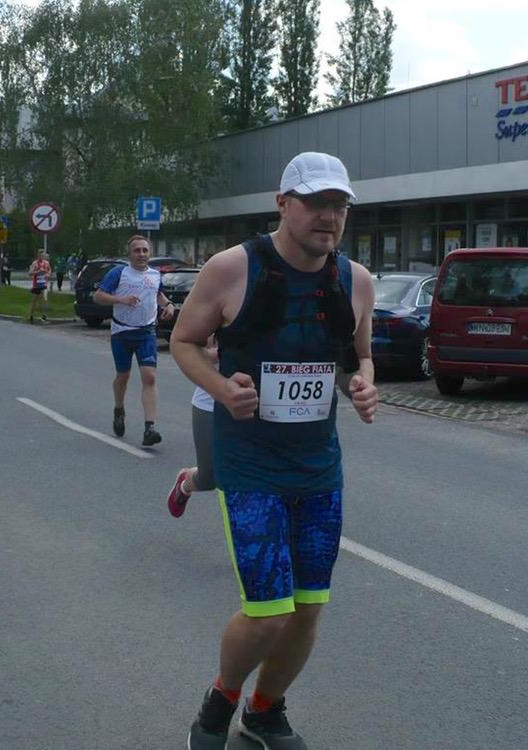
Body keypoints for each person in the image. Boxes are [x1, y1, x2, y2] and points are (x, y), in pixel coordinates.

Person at [169, 152, 377, 750]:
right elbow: (184, 341)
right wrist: (221, 389)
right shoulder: (233, 268)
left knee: (308, 607)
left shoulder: (355, 280)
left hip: (318, 466)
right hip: (250, 462)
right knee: (269, 610)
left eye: (338, 206)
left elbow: (356, 358)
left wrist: (363, 384)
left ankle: (264, 712)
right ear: (283, 204)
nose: (328, 216)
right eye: (315, 203)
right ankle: (219, 704)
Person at [93, 235, 175, 446]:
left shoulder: (155, 275)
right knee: (123, 376)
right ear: (129, 253)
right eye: (137, 250)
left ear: (150, 253)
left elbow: (158, 294)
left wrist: (168, 305)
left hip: (146, 332)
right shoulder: (119, 273)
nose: (141, 254)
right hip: (122, 332)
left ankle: (150, 428)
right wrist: (120, 299)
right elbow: (98, 296)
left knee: (150, 377)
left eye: (145, 250)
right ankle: (119, 409)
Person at [167, 337, 219, 518]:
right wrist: (221, 354)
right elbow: (188, 347)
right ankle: (184, 484)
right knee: (208, 478)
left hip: (264, 404)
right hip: (212, 402)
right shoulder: (218, 318)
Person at [27, 249, 51, 323]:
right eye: (41, 255)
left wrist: (48, 275)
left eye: (43, 255)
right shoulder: (35, 263)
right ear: (38, 255)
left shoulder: (46, 263)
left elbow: (49, 270)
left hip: (44, 284)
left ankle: (44, 316)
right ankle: (31, 315)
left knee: (45, 299)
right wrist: (37, 272)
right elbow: (30, 273)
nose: (42, 256)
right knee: (35, 301)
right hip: (36, 284)